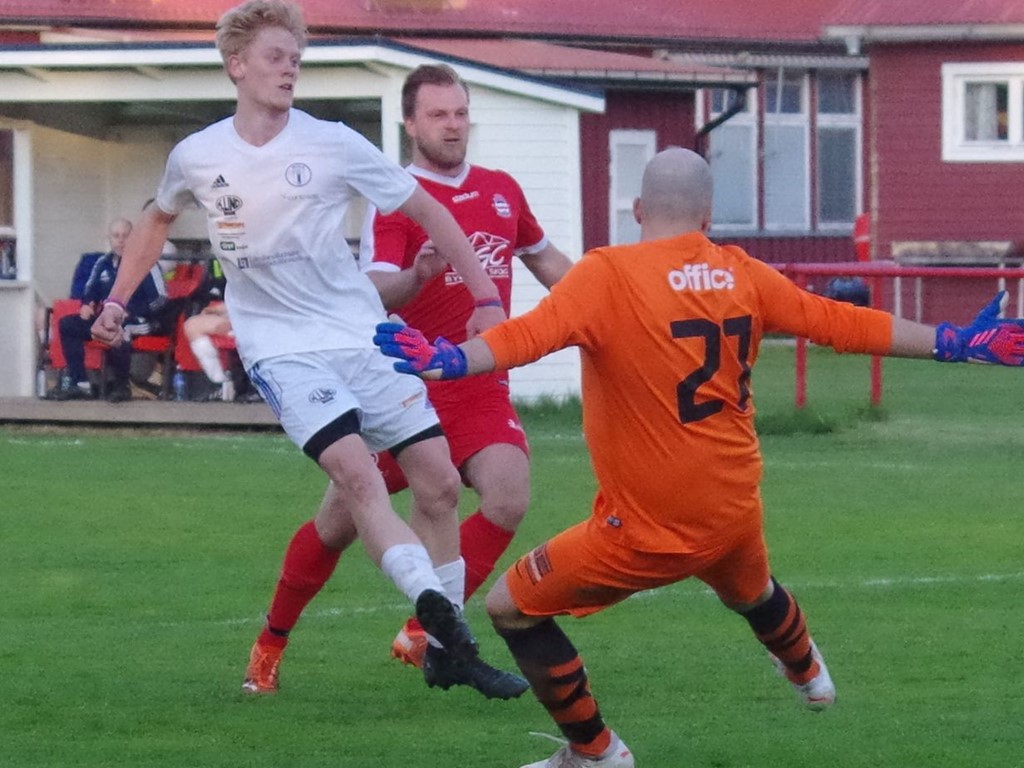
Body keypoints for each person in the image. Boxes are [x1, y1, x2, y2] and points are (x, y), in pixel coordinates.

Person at [375, 147, 1024, 767]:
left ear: (636, 210)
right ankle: (807, 672)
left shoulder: (607, 275)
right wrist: (952, 340)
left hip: (645, 528)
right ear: (709, 217)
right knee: (754, 593)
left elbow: (526, 337)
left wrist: (450, 360)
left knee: (509, 607)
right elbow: (841, 323)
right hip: (733, 510)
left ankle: (594, 750)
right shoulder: (742, 273)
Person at [90, 0, 526, 701]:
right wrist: (117, 298)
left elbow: (429, 211)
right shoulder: (198, 156)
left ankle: (444, 646)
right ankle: (442, 620)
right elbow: (157, 218)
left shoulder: (332, 143)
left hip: (357, 336)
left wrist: (484, 299)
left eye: (295, 58)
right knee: (356, 481)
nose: (289, 68)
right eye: (274, 56)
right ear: (237, 65)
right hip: (281, 350)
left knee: (439, 484)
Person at [360, 63, 574, 667]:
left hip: (480, 384)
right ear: (410, 122)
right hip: (407, 393)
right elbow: (375, 287)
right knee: (338, 522)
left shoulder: (502, 189)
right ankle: (271, 641)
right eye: (438, 115)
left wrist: (610, 300)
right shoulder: (394, 197)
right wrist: (417, 276)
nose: (454, 126)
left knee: (507, 498)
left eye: (460, 113)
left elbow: (550, 264)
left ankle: (427, 625)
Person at [56, 216, 167, 403]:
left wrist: (132, 311)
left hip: (141, 321)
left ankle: (121, 386)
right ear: (110, 238)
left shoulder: (147, 263)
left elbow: (161, 299)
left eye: (125, 235)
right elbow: (90, 290)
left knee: (119, 331)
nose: (121, 240)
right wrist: (87, 304)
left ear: (133, 238)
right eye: (116, 236)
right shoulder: (103, 263)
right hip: (108, 319)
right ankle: (81, 383)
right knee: (68, 325)